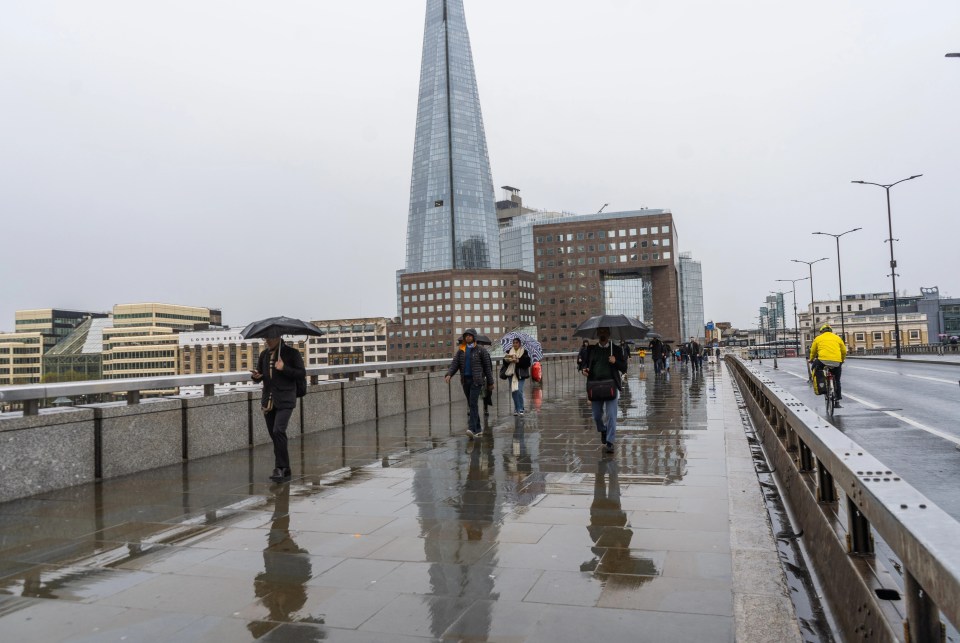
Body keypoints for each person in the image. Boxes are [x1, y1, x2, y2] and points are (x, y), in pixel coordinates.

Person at [251, 335, 306, 482]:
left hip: (286, 399)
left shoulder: (291, 353)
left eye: (270, 338)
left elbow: (301, 373)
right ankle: (285, 469)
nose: (267, 341)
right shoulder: (264, 354)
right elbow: (261, 375)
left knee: (278, 430)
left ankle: (280, 468)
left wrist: (284, 368)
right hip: (268, 400)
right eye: (265, 338)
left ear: (278, 337)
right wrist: (256, 376)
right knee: (275, 435)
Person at [581, 327, 628, 454]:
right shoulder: (591, 350)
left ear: (608, 334)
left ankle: (610, 442)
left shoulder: (616, 349)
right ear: (597, 334)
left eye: (604, 332)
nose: (602, 334)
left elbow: (624, 367)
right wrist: (585, 370)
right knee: (596, 416)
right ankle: (602, 429)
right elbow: (584, 365)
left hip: (611, 386)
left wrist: (615, 361)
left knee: (611, 415)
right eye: (600, 332)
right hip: (595, 386)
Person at [445, 329, 494, 439]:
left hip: (477, 381)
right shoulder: (461, 350)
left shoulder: (481, 350)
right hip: (465, 380)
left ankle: (471, 428)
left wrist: (490, 382)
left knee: (472, 403)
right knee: (472, 403)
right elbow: (455, 364)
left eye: (470, 336)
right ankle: (478, 429)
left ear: (474, 337)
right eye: (466, 336)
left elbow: (487, 367)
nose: (467, 337)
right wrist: (449, 374)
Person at [809, 324, 847, 406]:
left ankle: (820, 386)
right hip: (837, 361)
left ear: (821, 332)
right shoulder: (837, 338)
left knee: (815, 368)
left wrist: (811, 359)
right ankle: (837, 400)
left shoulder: (818, 338)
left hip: (822, 361)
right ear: (831, 331)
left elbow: (813, 351)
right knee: (837, 380)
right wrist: (842, 360)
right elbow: (844, 351)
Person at [503, 338, 532, 415]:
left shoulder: (524, 352)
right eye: (514, 343)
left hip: (520, 375)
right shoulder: (509, 351)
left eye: (516, 343)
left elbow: (527, 363)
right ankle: (516, 408)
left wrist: (518, 361)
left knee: (519, 391)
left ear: (519, 344)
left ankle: (521, 408)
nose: (515, 344)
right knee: (514, 392)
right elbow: (504, 363)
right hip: (511, 374)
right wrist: (508, 360)